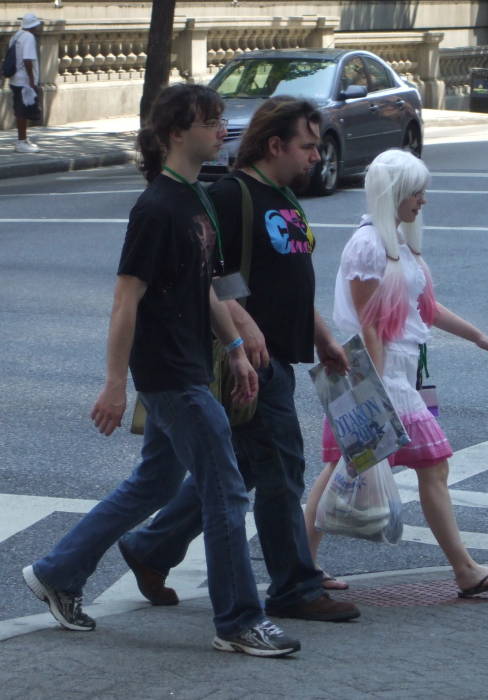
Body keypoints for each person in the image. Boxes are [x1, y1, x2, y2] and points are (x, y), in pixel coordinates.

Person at [23, 83, 301, 658]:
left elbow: (213, 288)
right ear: (177, 132)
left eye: (222, 119)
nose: (221, 129)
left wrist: (235, 348)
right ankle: (239, 620)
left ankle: (57, 571)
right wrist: (114, 383)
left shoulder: (199, 198)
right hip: (168, 374)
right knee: (225, 488)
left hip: (195, 366)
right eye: (210, 120)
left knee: (152, 483)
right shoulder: (155, 208)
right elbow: (126, 299)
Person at [117, 97, 361, 622]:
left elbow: (292, 278)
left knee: (247, 467)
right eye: (308, 145)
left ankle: (151, 547)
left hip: (277, 359)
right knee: (279, 470)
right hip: (245, 362)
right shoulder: (231, 196)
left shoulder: (286, 198)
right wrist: (243, 333)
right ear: (276, 145)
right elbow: (212, 272)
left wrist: (322, 336)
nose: (317, 156)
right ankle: (294, 587)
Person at [304, 148, 488, 598]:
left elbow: (423, 307)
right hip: (382, 377)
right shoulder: (370, 244)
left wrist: (479, 337)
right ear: (395, 193)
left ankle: (303, 566)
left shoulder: (395, 241)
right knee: (421, 465)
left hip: (392, 374)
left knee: (367, 466)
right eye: (416, 192)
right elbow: (368, 323)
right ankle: (463, 569)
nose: (422, 200)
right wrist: (377, 389)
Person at [8, 12, 42, 153]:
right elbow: (28, 60)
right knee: (23, 111)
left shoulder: (16, 36)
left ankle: (22, 139)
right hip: (24, 81)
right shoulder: (29, 37)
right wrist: (32, 81)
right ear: (33, 26)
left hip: (16, 79)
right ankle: (21, 142)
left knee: (20, 110)